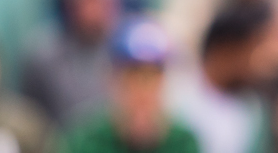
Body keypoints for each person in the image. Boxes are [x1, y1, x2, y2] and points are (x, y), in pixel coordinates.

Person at [61, 20, 199, 153]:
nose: (143, 92)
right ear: (112, 81)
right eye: (132, 79)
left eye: (152, 78)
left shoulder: (183, 141)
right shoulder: (85, 139)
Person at [24, 0, 124, 128]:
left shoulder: (128, 51)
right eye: (84, 2)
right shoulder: (43, 57)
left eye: (98, 2)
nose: (91, 12)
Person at [168, 2, 273, 153]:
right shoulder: (175, 101)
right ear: (226, 51)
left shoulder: (255, 111)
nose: (259, 63)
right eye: (252, 51)